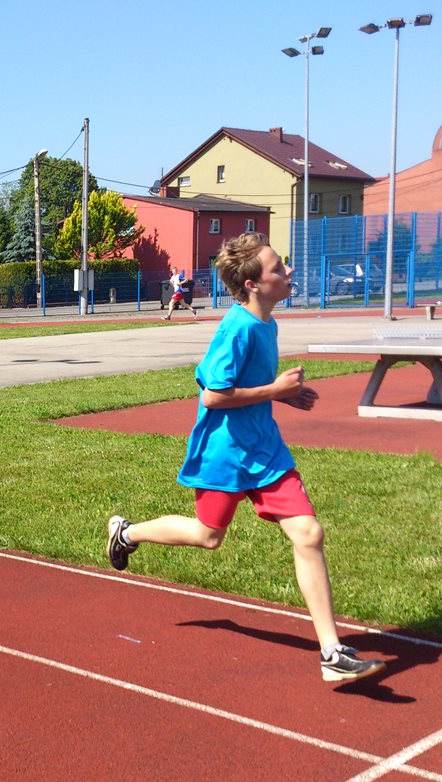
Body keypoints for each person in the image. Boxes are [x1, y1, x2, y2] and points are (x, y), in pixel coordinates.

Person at [105, 233, 386, 684]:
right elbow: (213, 396)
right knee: (208, 536)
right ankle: (127, 533)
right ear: (253, 284)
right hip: (225, 452)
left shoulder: (267, 323)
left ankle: (331, 652)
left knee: (309, 533)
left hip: (265, 449)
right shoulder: (236, 328)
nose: (288, 271)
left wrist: (283, 397)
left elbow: (247, 386)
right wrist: (274, 389)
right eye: (278, 268)